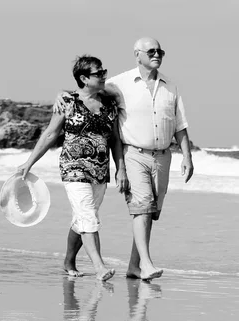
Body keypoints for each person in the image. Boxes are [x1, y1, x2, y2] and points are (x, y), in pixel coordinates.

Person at [54, 37, 194, 281]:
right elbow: (85, 89)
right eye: (151, 51)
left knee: (149, 211)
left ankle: (134, 266)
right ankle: (140, 265)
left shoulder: (170, 86)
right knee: (139, 208)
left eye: (160, 50)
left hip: (162, 156)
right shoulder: (119, 84)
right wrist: (61, 93)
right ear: (137, 54)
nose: (157, 54)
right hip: (133, 154)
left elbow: (179, 124)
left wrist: (187, 156)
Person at [18, 55, 128, 281]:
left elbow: (115, 139)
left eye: (103, 71)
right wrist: (29, 162)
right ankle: (100, 267)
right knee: (88, 217)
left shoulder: (110, 104)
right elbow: (50, 134)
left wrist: (121, 169)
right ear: (84, 78)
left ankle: (68, 261)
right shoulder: (67, 103)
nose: (104, 76)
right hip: (73, 169)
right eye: (99, 73)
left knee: (83, 219)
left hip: (100, 170)